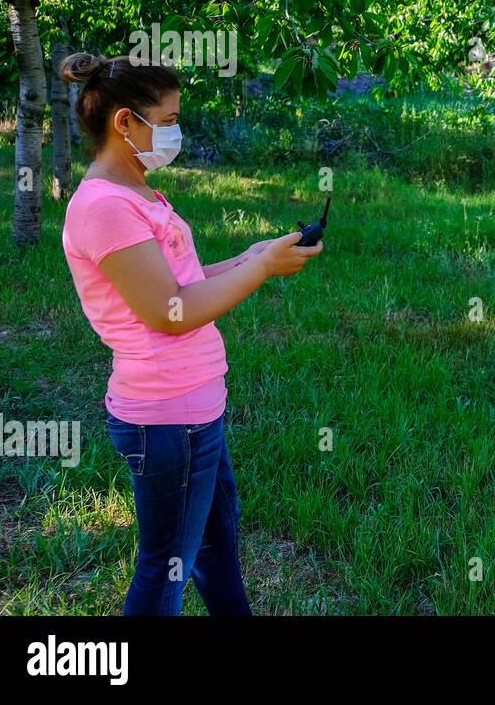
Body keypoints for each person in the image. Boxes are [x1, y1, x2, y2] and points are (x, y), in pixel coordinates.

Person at [59, 53, 323, 615]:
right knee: (164, 568)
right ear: (124, 122)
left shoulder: (138, 194)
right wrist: (261, 270)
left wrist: (252, 255)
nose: (177, 131)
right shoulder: (105, 206)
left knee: (213, 544)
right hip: (166, 416)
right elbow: (169, 311)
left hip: (194, 407)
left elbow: (185, 282)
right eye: (170, 118)